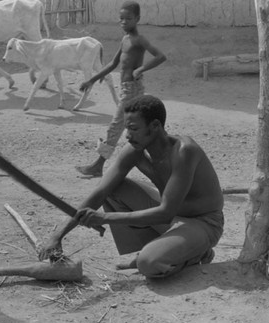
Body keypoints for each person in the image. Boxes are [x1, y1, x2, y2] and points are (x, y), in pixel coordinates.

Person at [39, 95, 225, 278]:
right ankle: (162, 247)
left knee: (148, 264)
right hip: (170, 216)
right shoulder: (135, 150)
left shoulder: (184, 151)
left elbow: (166, 212)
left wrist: (104, 218)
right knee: (114, 189)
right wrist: (58, 235)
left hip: (203, 223)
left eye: (134, 129)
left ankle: (194, 254)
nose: (128, 135)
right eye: (127, 129)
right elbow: (100, 192)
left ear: (155, 126)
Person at [75, 0, 167, 177]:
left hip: (133, 89)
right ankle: (159, 156)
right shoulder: (125, 39)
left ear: (137, 19)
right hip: (125, 88)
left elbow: (160, 56)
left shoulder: (139, 40)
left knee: (116, 126)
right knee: (134, 126)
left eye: (128, 18)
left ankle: (98, 166)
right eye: (121, 18)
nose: (123, 22)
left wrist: (141, 69)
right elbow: (113, 63)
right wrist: (91, 80)